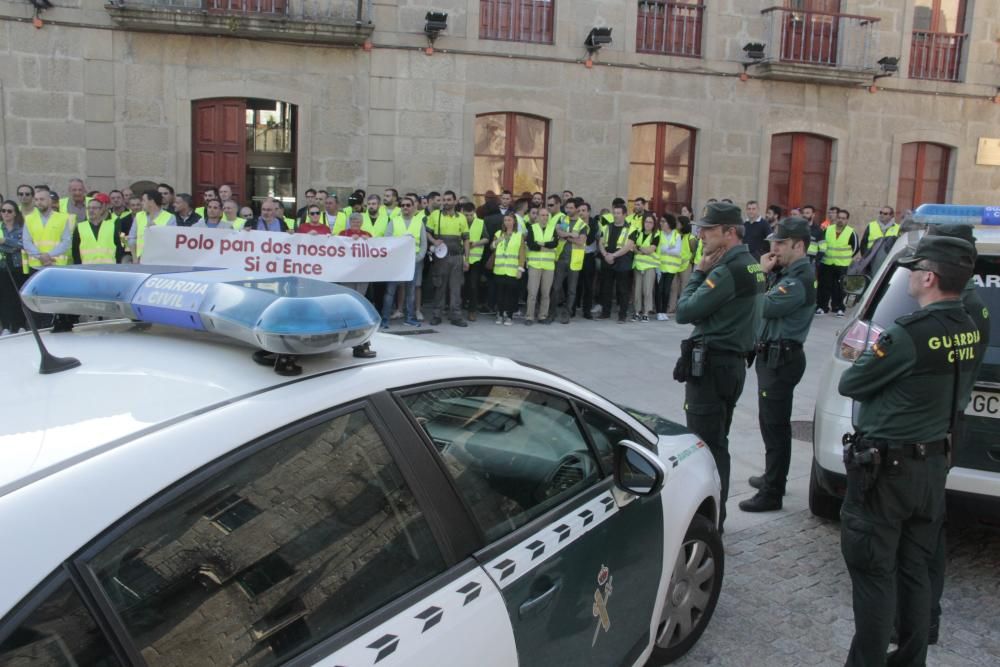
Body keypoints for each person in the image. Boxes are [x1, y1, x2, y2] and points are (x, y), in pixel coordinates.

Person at [838, 235, 980, 667]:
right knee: (915, 570)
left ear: (929, 277)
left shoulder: (908, 334)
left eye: (916, 269)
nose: (912, 275)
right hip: (932, 465)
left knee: (873, 572)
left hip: (888, 471)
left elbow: (851, 383)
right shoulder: (968, 326)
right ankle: (911, 659)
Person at [675, 202, 764, 530]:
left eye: (708, 230)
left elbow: (684, 312)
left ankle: (711, 522)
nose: (701, 234)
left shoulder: (727, 269)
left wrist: (698, 272)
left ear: (729, 232)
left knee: (706, 445)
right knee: (718, 442)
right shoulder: (751, 264)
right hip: (733, 365)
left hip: (714, 366)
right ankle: (716, 517)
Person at [740, 217, 816, 512]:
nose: (774, 247)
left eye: (781, 243)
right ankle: (773, 477)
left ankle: (773, 492)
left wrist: (759, 274)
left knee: (775, 426)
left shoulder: (799, 279)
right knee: (771, 424)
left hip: (781, 358)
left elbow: (764, 306)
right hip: (773, 356)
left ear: (799, 245)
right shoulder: (788, 273)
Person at [425, 190, 469, 327]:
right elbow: (426, 232)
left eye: (449, 200)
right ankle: (437, 315)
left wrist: (466, 259)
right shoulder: (435, 215)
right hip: (441, 258)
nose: (446, 202)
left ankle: (456, 316)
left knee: (456, 288)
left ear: (455, 201)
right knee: (440, 286)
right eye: (444, 200)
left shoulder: (461, 217)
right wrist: (434, 241)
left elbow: (466, 239)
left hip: (456, 257)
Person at [381, 196, 425, 328]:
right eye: (403, 205)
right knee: (390, 291)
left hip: (413, 262)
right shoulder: (393, 222)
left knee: (411, 291)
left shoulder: (419, 222)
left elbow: (423, 244)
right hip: (396, 262)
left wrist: (417, 259)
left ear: (413, 207)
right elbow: (387, 241)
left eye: (408, 205)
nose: (405, 207)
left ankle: (410, 318)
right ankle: (385, 319)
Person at [551, 197, 588, 323]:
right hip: (561, 259)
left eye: (571, 208)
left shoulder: (582, 224)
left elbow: (581, 241)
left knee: (572, 290)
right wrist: (571, 235)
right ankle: (552, 313)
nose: (568, 210)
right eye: (567, 207)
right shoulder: (563, 219)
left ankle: (567, 313)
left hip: (574, 261)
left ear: (577, 209)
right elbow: (559, 233)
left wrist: (566, 237)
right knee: (556, 287)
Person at [816, 208, 858, 316]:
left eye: (843, 218)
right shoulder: (828, 229)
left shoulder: (851, 232)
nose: (840, 220)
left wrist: (848, 257)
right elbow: (821, 243)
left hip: (842, 264)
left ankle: (839, 308)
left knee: (840, 288)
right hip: (827, 262)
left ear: (847, 220)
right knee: (824, 286)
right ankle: (822, 307)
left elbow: (856, 247)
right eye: (839, 218)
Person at [598, 203, 634, 322]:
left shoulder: (631, 228)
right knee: (606, 288)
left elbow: (628, 246)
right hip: (608, 259)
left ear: (624, 215)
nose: (615, 215)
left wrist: (613, 255)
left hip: (623, 261)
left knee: (622, 290)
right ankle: (605, 313)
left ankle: (622, 315)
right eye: (614, 213)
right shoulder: (607, 227)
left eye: (618, 213)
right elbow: (601, 242)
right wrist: (605, 254)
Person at [524, 207, 558, 325]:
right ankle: (529, 317)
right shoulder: (532, 228)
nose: (545, 218)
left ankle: (543, 316)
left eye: (546, 216)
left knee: (545, 293)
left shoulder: (552, 229)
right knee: (532, 292)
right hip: (534, 265)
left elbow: (555, 243)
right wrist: (546, 245)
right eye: (542, 215)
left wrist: (540, 244)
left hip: (548, 266)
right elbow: (531, 244)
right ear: (537, 217)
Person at [491, 212, 525, 326]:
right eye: (505, 220)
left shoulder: (519, 235)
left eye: (509, 220)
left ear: (514, 221)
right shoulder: (498, 233)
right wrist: (497, 241)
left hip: (512, 269)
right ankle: (500, 314)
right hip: (499, 269)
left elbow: (522, 253)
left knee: (510, 294)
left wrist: (520, 269)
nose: (507, 222)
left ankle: (509, 315)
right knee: (499, 293)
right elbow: (492, 247)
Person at [0, 200, 28, 334]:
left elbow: (23, 244)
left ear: (15, 213)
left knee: (18, 297)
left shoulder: (22, 228)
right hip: (2, 266)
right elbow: (14, 246)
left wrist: (5, 241)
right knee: (4, 297)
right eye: (3, 210)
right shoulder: (0, 227)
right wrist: (12, 246)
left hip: (18, 267)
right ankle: (6, 326)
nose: (6, 213)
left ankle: (20, 324)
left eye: (9, 211)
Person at [72, 194, 124, 265]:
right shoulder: (80, 227)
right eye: (89, 208)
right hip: (87, 268)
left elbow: (118, 248)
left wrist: (117, 265)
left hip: (109, 267)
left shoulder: (111, 226)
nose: (91, 210)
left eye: (94, 208)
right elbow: (75, 251)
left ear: (101, 210)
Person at [630, 212, 660, 322]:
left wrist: (639, 248)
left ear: (654, 224)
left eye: (650, 222)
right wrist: (642, 249)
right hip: (638, 265)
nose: (648, 224)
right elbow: (633, 248)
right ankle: (637, 312)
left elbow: (650, 250)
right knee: (637, 290)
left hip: (650, 266)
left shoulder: (656, 235)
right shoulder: (638, 233)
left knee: (647, 290)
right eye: (646, 222)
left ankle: (646, 312)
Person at [461, 201, 488, 321]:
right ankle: (458, 307)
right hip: (460, 258)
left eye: (470, 215)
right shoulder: (459, 222)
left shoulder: (480, 223)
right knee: (460, 285)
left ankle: (472, 311)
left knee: (473, 285)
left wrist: (475, 243)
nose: (468, 217)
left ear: (474, 213)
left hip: (475, 260)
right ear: (462, 213)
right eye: (466, 215)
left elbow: (487, 239)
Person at [656, 212, 683, 321]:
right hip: (659, 266)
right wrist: (669, 248)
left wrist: (665, 249)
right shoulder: (658, 234)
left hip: (671, 268)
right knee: (659, 290)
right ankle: (658, 312)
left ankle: (663, 311)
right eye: (661, 221)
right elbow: (658, 249)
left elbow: (677, 251)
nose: (661, 223)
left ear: (669, 223)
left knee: (667, 290)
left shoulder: (676, 235)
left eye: (663, 221)